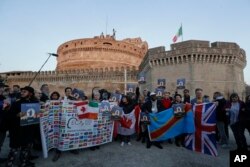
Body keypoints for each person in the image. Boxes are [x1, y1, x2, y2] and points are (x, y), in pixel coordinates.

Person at [6, 86, 38, 167]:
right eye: (22, 91)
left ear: (30, 94)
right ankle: (9, 164)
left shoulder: (34, 103)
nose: (22, 93)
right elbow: (9, 116)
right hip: (17, 130)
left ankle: (24, 162)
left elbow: (35, 115)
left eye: (24, 91)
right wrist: (17, 115)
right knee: (15, 148)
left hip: (28, 129)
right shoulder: (17, 103)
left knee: (26, 147)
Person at [0, 82, 10, 164]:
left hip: (3, 124)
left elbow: (6, 109)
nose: (2, 89)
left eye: (2, 88)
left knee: (1, 142)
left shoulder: (3, 98)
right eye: (1, 88)